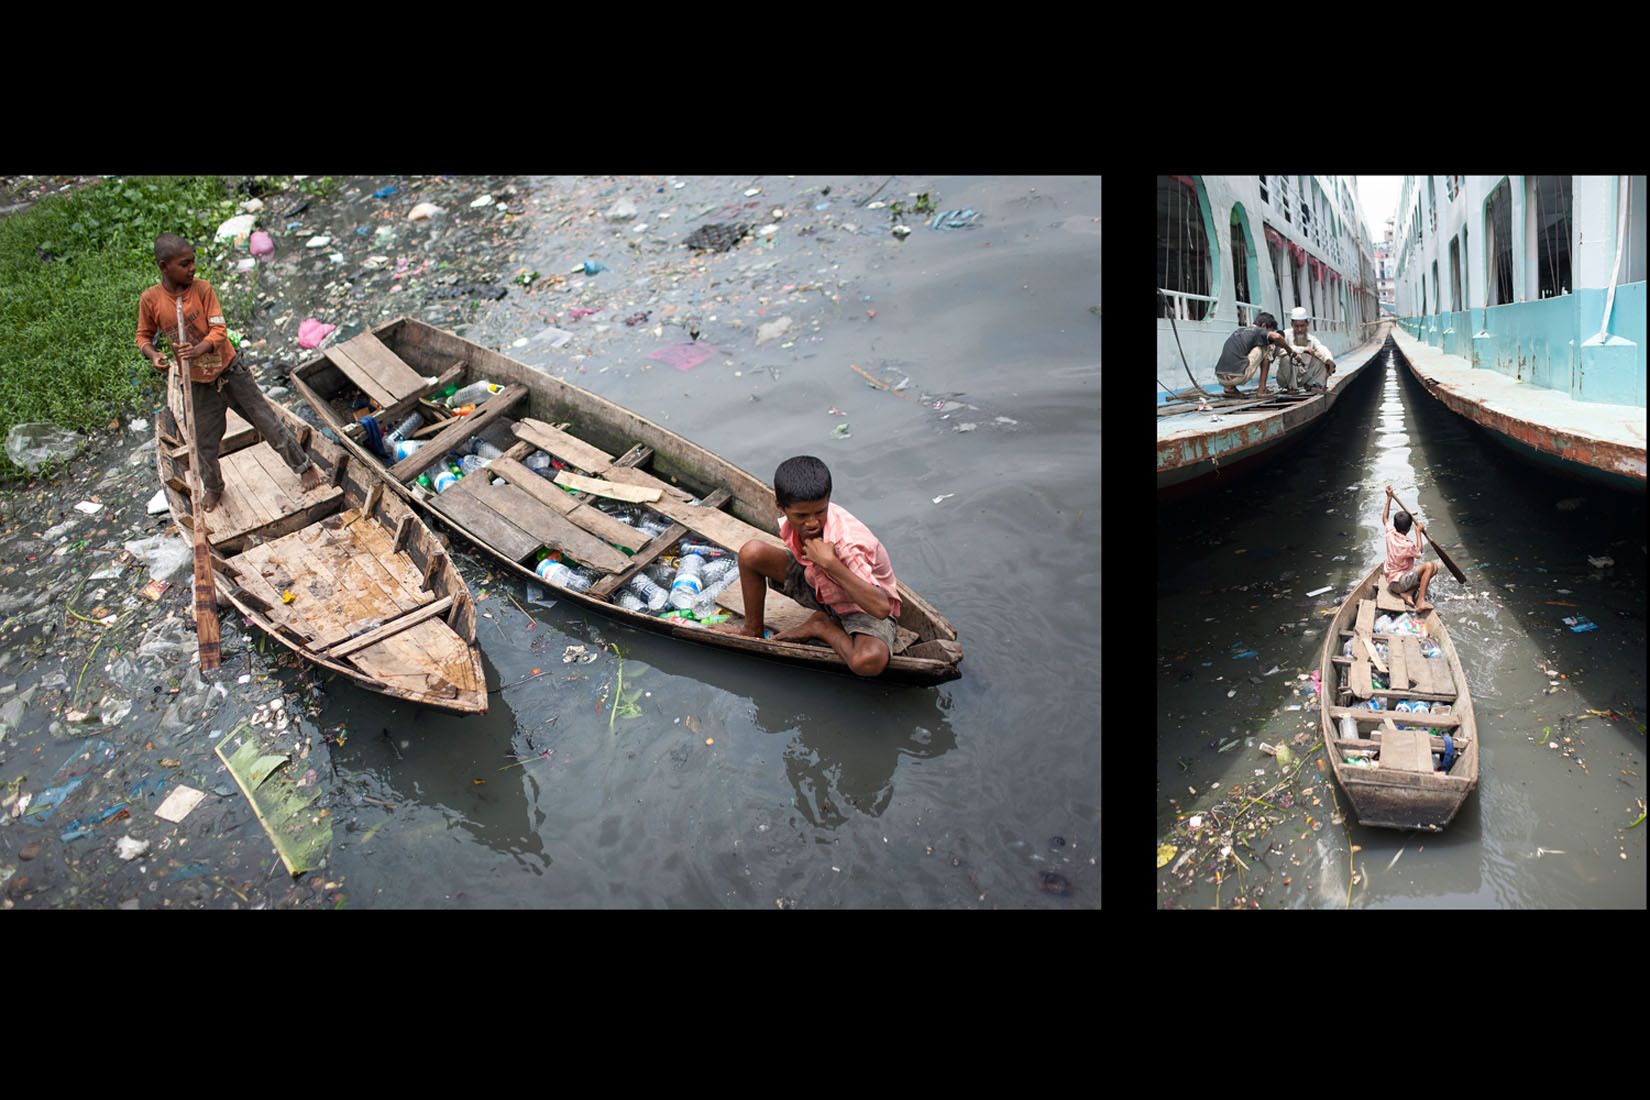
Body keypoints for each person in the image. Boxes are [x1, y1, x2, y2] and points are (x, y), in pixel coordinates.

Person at [137, 234, 323, 512]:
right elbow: (143, 337)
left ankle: (304, 466)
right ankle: (214, 488)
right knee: (202, 444)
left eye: (193, 262)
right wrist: (154, 355)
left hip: (230, 371)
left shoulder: (202, 290)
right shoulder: (151, 300)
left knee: (267, 422)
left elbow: (219, 331)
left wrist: (199, 349)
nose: (192, 269)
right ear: (164, 267)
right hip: (198, 384)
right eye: (185, 264)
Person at [712, 455, 901, 677]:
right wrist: (823, 567)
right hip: (821, 585)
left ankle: (822, 627)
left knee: (867, 662)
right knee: (751, 553)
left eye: (820, 512)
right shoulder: (802, 518)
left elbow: (881, 608)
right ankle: (752, 630)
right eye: (801, 516)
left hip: (861, 606)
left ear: (828, 501)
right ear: (780, 507)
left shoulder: (847, 543)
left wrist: (830, 564)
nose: (811, 523)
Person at [1213, 312, 1302, 398]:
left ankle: (1229, 388)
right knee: (1267, 346)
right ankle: (1262, 390)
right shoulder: (1259, 331)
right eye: (1270, 330)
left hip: (1220, 377)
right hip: (1237, 377)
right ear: (1264, 326)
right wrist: (1290, 351)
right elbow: (1277, 337)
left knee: (1240, 353)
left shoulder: (1239, 331)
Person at [1383, 485, 1439, 614]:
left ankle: (1408, 593)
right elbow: (1419, 552)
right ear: (1408, 529)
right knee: (1430, 567)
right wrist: (1418, 532)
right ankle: (1420, 602)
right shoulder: (1407, 545)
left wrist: (1389, 498)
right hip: (1399, 582)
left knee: (1434, 568)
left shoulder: (1390, 533)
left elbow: (1385, 518)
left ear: (1395, 525)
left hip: (1392, 582)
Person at [1277, 306, 1336, 394]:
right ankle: (1292, 387)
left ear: (1307, 324)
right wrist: (1303, 350)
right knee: (1288, 357)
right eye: (1297, 326)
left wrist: (1328, 359)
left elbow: (1321, 348)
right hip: (1285, 378)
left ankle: (1313, 385)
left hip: (1303, 377)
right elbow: (1280, 351)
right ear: (1291, 324)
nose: (1300, 329)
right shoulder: (1285, 335)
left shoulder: (1311, 339)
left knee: (1322, 361)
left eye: (1302, 326)